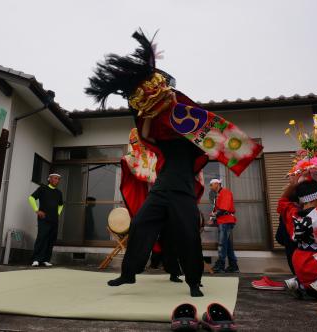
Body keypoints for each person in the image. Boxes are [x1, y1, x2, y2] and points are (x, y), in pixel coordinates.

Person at [85, 30, 262, 297]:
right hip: (161, 190)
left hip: (183, 193)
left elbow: (214, 144)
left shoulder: (195, 143)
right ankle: (128, 274)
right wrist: (146, 112)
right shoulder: (165, 140)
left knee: (189, 235)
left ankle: (193, 282)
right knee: (141, 223)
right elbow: (145, 135)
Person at [28, 173, 64, 267]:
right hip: (44, 219)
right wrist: (37, 210)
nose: (57, 180)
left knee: (51, 239)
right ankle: (36, 259)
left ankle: (45, 259)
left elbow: (61, 205)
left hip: (54, 220)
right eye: (55, 178)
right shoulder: (43, 188)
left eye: (58, 179)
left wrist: (58, 213)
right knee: (41, 237)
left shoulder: (59, 192)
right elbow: (31, 198)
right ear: (50, 179)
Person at [209, 179, 239, 273]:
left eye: (211, 185)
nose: (210, 187)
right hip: (222, 220)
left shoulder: (225, 192)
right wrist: (213, 219)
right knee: (228, 245)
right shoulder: (217, 195)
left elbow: (223, 208)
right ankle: (233, 266)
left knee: (222, 244)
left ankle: (220, 265)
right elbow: (217, 210)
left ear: (217, 184)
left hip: (226, 220)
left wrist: (214, 215)